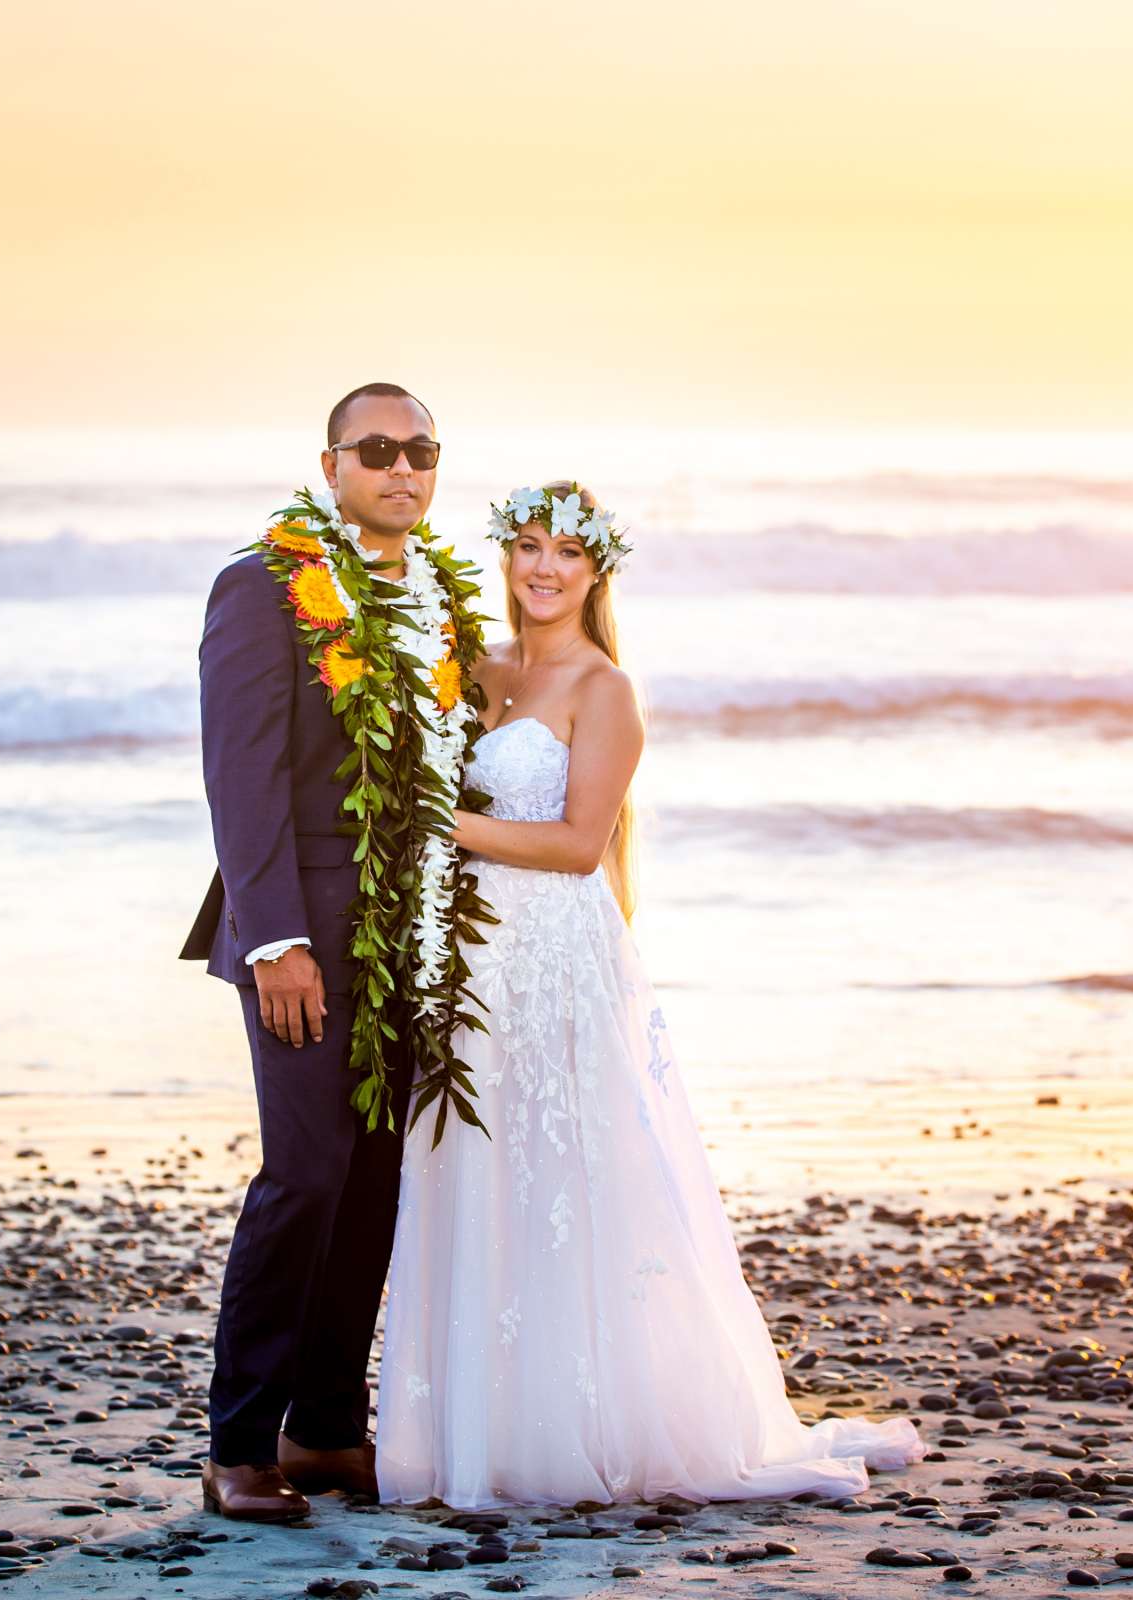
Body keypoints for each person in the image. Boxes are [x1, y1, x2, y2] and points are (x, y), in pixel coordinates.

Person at [375, 481, 925, 1507]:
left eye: (567, 554)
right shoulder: (476, 669)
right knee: (475, 1175)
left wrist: (438, 823)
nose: (544, 567)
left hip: (554, 957)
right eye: (529, 546)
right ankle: (478, 1428)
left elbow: (581, 847)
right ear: (506, 556)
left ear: (597, 571)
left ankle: (582, 1426)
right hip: (469, 962)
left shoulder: (604, 689)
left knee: (564, 1183)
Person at [180, 382, 443, 1521]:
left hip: (405, 930)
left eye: (421, 448)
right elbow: (240, 778)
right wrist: (276, 936)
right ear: (331, 464)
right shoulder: (266, 585)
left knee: (379, 1174)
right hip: (300, 924)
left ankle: (328, 1427)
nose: (402, 467)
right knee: (306, 1174)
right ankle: (238, 1443)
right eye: (377, 448)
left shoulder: (433, 592)